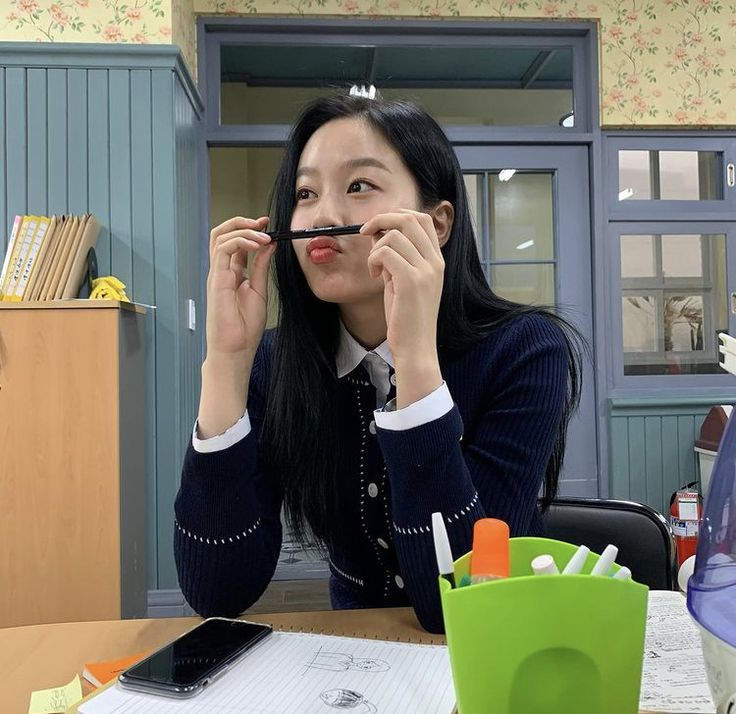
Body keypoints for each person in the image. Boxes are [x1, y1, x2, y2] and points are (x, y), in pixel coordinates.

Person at [174, 93, 582, 633]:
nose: (324, 216)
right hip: (354, 653)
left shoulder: (527, 350)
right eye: (305, 192)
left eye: (359, 186)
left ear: (437, 225)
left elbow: (458, 604)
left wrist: (414, 360)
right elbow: (217, 591)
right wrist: (226, 362)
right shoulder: (277, 362)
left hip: (499, 645)